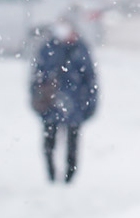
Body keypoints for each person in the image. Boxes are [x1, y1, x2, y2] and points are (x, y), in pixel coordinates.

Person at [30, 17, 97, 183]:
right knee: (49, 141)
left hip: (75, 105)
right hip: (51, 104)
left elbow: (90, 79)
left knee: (72, 142)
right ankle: (51, 173)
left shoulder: (80, 50)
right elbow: (37, 77)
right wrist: (38, 99)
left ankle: (69, 175)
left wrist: (89, 104)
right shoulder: (48, 49)